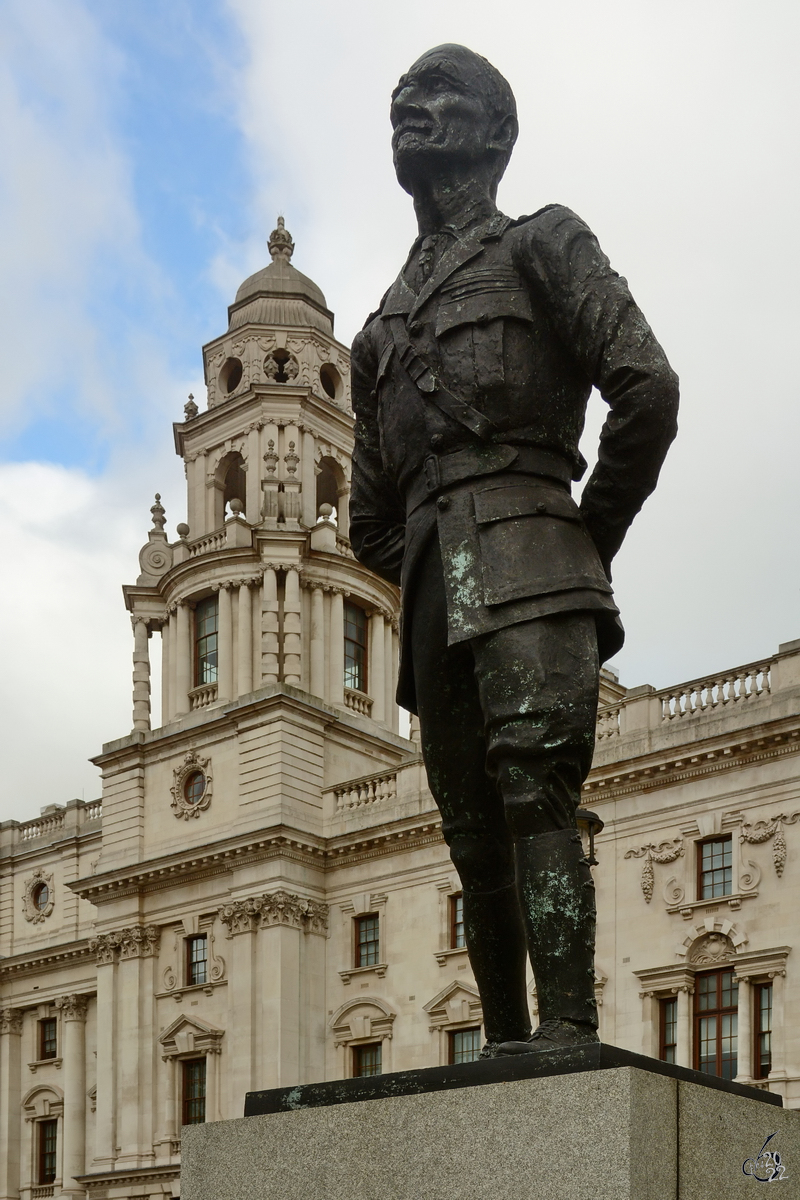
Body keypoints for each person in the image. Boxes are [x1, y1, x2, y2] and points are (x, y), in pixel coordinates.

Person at [348, 44, 679, 1055]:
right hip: (434, 597)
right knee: (467, 830)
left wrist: (582, 537)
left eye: (441, 98)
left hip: (538, 566)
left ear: (495, 133)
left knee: (535, 790)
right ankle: (499, 1044)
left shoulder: (542, 244)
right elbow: (367, 519)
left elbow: (645, 388)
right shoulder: (376, 335)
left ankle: (566, 1029)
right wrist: (435, 545)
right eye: (403, 99)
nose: (413, 107)